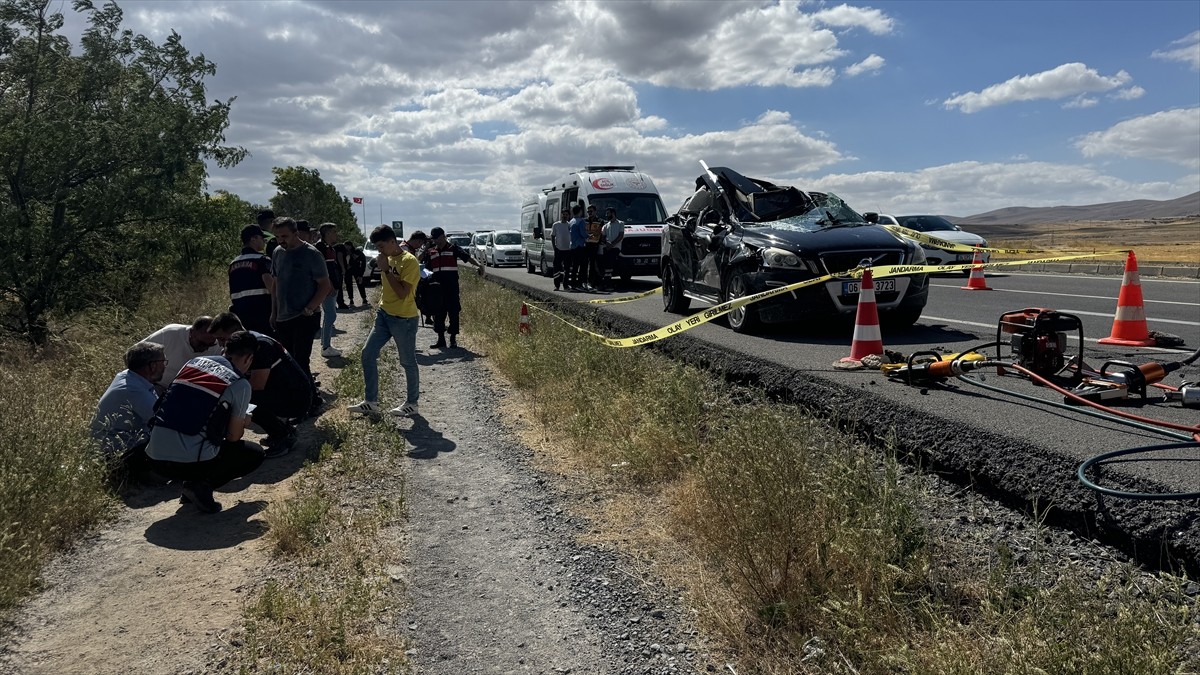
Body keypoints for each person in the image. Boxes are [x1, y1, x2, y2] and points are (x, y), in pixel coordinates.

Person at [145, 331, 265, 514]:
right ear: (249, 358)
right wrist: (244, 421)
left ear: (224, 349)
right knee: (253, 454)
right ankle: (199, 486)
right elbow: (233, 437)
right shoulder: (239, 384)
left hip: (155, 458)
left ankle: (192, 487)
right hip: (189, 464)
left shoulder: (193, 363)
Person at [348, 225, 422, 417]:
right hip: (384, 315)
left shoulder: (409, 261)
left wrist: (387, 270)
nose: (379, 250)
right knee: (367, 354)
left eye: (381, 246)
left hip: (404, 318)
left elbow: (403, 293)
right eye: (376, 246)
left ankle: (412, 403)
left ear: (392, 241)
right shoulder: (385, 259)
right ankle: (370, 401)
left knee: (407, 361)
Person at [270, 217, 331, 414]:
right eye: (278, 236)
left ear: (296, 234)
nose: (281, 240)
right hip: (283, 316)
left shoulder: (311, 254)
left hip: (305, 316)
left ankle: (312, 402)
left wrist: (310, 308)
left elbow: (325, 285)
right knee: (289, 362)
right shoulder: (277, 253)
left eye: (285, 236)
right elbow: (276, 284)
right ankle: (299, 401)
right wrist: (274, 311)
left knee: (300, 360)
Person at [89, 341, 167, 477]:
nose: (165, 366)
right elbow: (164, 423)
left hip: (109, 448)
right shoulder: (134, 390)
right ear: (153, 366)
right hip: (116, 455)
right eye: (163, 362)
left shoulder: (128, 376)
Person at [246, 329, 312, 458]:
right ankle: (284, 430)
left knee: (247, 401)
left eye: (222, 339)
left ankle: (283, 438)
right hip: (294, 393)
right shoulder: (257, 340)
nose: (221, 344)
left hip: (297, 399)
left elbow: (256, 385)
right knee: (250, 397)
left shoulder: (261, 347)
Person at [421, 226, 484, 349]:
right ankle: (441, 340)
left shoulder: (453, 248)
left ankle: (453, 339)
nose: (436, 241)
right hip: (436, 289)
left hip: (451, 288)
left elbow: (467, 257)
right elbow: (422, 266)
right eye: (434, 239)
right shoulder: (431, 252)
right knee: (438, 314)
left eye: (437, 238)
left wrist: (478, 266)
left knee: (454, 313)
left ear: (443, 236)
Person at [141, 316, 223, 389]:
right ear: (191, 333)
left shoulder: (218, 345)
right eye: (202, 344)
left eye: (210, 345)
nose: (205, 348)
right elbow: (137, 353)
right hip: (156, 385)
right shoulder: (170, 334)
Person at [228, 224, 275, 335]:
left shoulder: (233, 263)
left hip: (241, 315)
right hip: (263, 313)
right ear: (253, 239)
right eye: (261, 237)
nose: (264, 241)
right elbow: (272, 287)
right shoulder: (262, 259)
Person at [314, 223, 345, 358]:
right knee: (330, 315)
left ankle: (326, 344)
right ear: (327, 233)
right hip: (327, 288)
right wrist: (329, 285)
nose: (336, 234)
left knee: (331, 315)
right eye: (334, 232)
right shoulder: (320, 247)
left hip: (333, 286)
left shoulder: (329, 247)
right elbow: (322, 269)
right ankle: (326, 347)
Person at [600, 207, 625, 290]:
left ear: (613, 213)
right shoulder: (605, 226)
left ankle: (608, 283)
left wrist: (612, 244)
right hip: (607, 248)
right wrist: (607, 243)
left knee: (609, 265)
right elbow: (603, 237)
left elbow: (620, 235)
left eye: (608, 213)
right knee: (606, 266)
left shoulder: (620, 223)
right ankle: (606, 283)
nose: (606, 215)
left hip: (615, 248)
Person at [550, 208, 572, 291]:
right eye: (563, 214)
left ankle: (566, 285)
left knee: (567, 268)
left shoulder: (570, 225)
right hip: (558, 249)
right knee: (557, 268)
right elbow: (553, 236)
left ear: (569, 216)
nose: (565, 216)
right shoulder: (556, 225)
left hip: (568, 250)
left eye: (566, 214)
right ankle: (557, 285)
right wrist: (554, 246)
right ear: (561, 215)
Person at [568, 204, 588, 291]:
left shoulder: (571, 221)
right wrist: (589, 236)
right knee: (583, 266)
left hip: (573, 245)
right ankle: (580, 283)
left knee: (575, 266)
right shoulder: (581, 221)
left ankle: (573, 284)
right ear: (580, 211)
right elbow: (583, 233)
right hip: (580, 245)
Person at [584, 204, 603, 288]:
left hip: (595, 246)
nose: (589, 213)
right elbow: (584, 232)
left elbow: (599, 233)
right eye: (588, 211)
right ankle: (586, 281)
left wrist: (591, 234)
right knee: (585, 264)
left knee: (594, 265)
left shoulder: (600, 221)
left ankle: (594, 282)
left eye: (591, 211)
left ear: (595, 211)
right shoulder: (584, 220)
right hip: (586, 245)